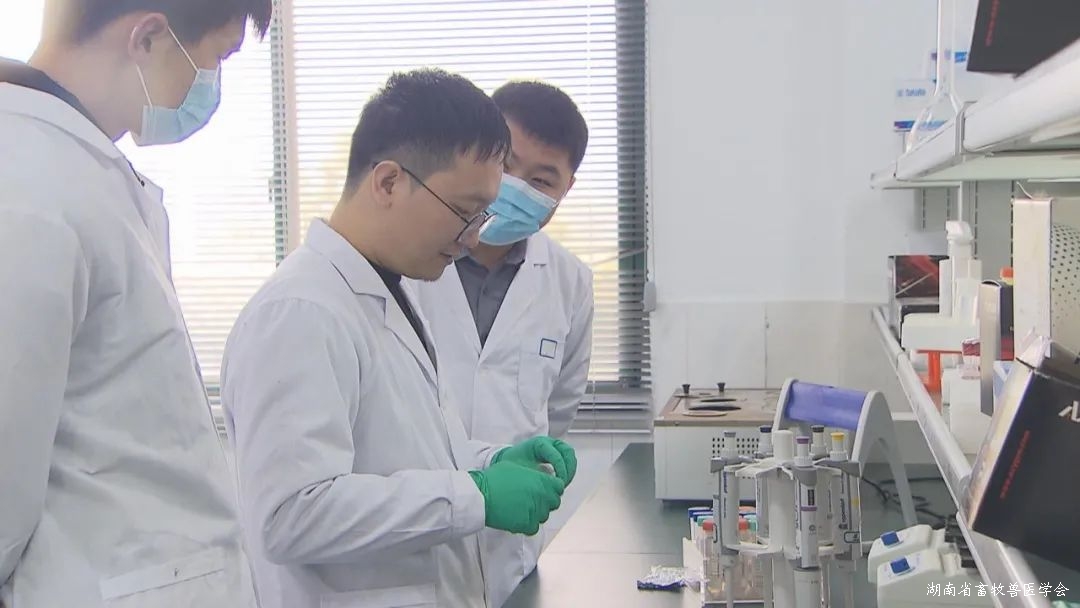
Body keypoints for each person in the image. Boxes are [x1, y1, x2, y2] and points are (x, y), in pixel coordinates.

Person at [220, 68, 577, 608]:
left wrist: (491, 461)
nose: (473, 237)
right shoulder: (300, 312)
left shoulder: (388, 292)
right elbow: (289, 514)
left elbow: (411, 455)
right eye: (464, 212)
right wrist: (474, 496)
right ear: (388, 182)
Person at [0, 1, 271, 607]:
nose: (211, 85)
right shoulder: (24, 187)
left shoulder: (81, 171)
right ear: (148, 37)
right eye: (216, 58)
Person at [414, 80, 594, 606]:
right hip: (415, 541)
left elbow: (558, 409)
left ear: (565, 188)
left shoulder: (570, 282)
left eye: (540, 180)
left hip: (509, 555)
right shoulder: (410, 262)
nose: (514, 187)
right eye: (507, 164)